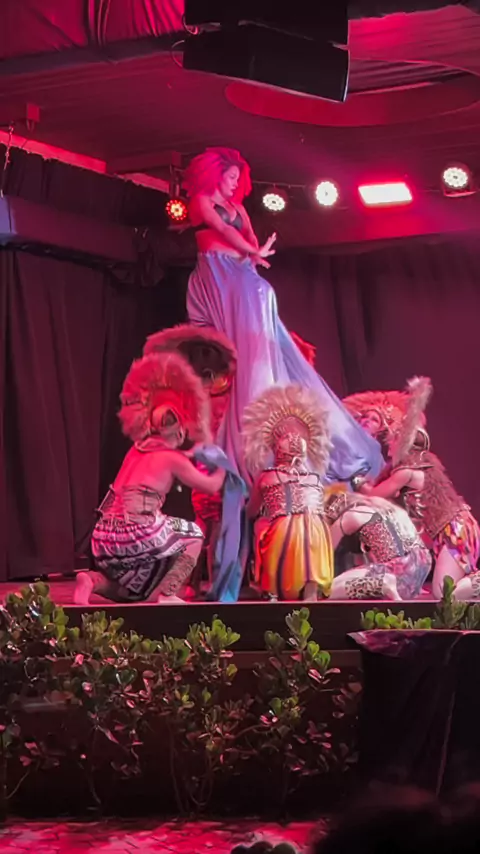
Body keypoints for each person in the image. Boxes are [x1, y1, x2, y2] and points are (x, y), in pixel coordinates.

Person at [183, 146, 383, 487]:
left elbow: (246, 234)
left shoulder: (237, 208)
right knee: (255, 303)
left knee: (264, 297)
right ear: (216, 176)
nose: (234, 185)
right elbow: (223, 231)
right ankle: (251, 395)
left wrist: (254, 253)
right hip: (217, 272)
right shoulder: (202, 201)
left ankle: (262, 376)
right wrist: (250, 250)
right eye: (230, 178)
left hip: (241, 272)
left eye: (238, 179)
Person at [74, 351, 225, 606]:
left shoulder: (137, 450)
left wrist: (193, 453)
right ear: (177, 430)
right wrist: (223, 464)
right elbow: (211, 486)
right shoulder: (171, 459)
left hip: (104, 537)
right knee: (194, 533)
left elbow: (167, 460)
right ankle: (169, 593)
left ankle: (91, 581)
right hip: (137, 533)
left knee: (134, 592)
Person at [352, 377, 480, 599]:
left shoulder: (407, 471)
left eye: (392, 441)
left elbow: (375, 495)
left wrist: (357, 481)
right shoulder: (419, 467)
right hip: (453, 530)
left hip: (456, 531)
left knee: (444, 594)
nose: (389, 446)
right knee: (448, 595)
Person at [243, 385, 334, 601]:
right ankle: (310, 588)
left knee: (261, 527)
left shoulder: (267, 476)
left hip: (285, 531)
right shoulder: (314, 478)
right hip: (319, 531)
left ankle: (270, 588)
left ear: (275, 449)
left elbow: (250, 511)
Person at [325, 491, 432, 600]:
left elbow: (324, 554)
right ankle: (383, 585)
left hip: (397, 570)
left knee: (327, 590)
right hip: (421, 567)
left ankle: (381, 584)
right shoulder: (383, 506)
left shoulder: (349, 516)